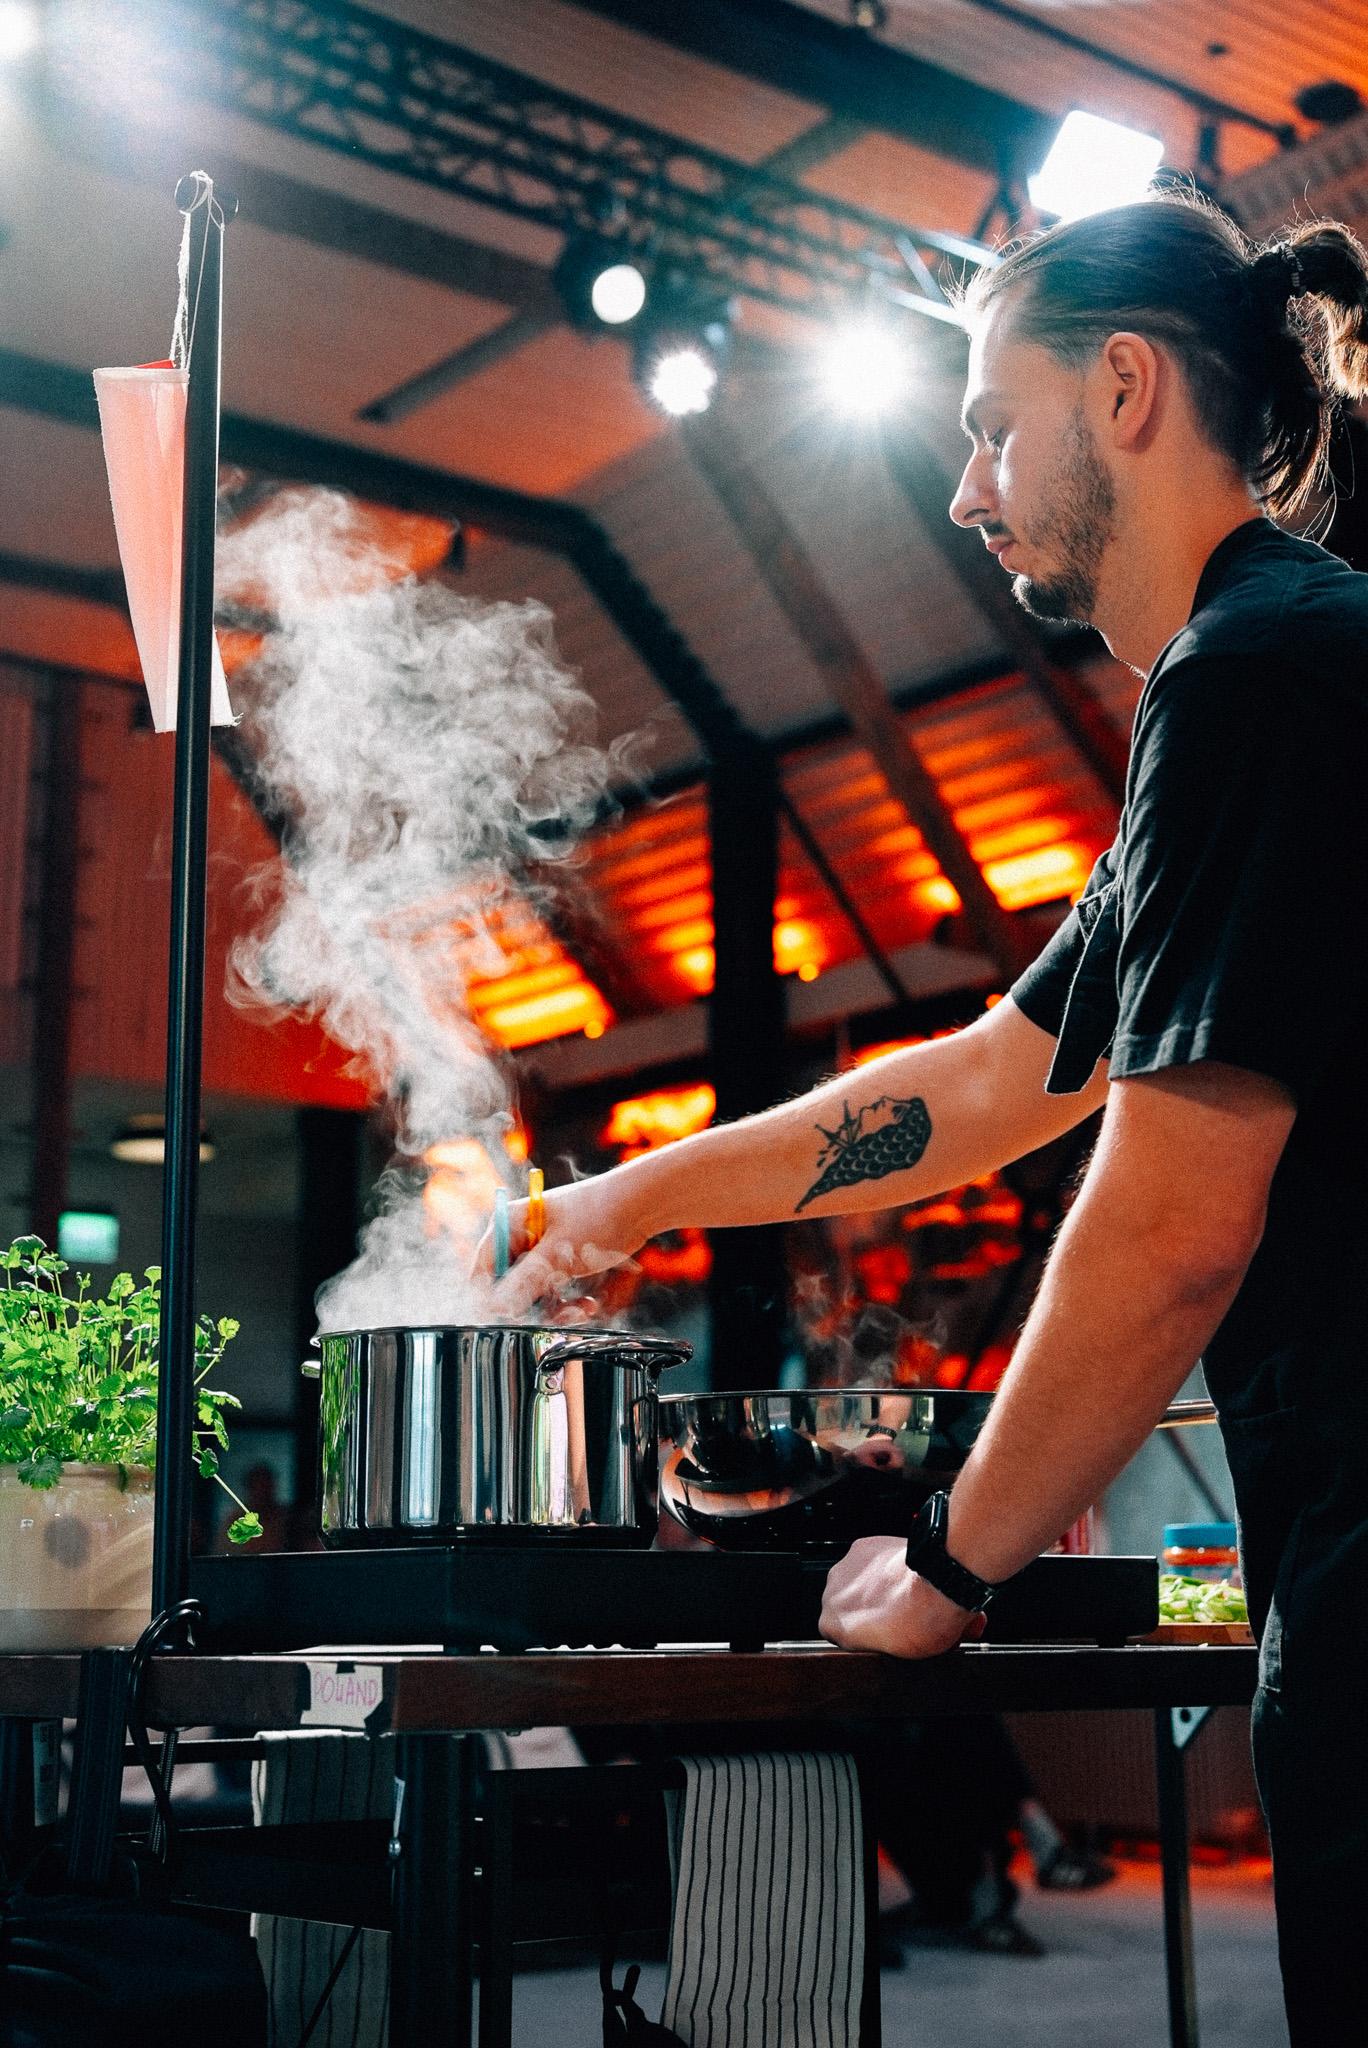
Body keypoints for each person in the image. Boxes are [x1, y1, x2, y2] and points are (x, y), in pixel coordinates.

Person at [479, 192, 1368, 2040]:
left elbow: (1174, 1219)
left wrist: (950, 1563)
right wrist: (631, 1200)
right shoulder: (1248, 688)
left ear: (1122, 387)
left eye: (988, 420)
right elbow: (976, 1090)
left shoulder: (1263, 679)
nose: (966, 488)